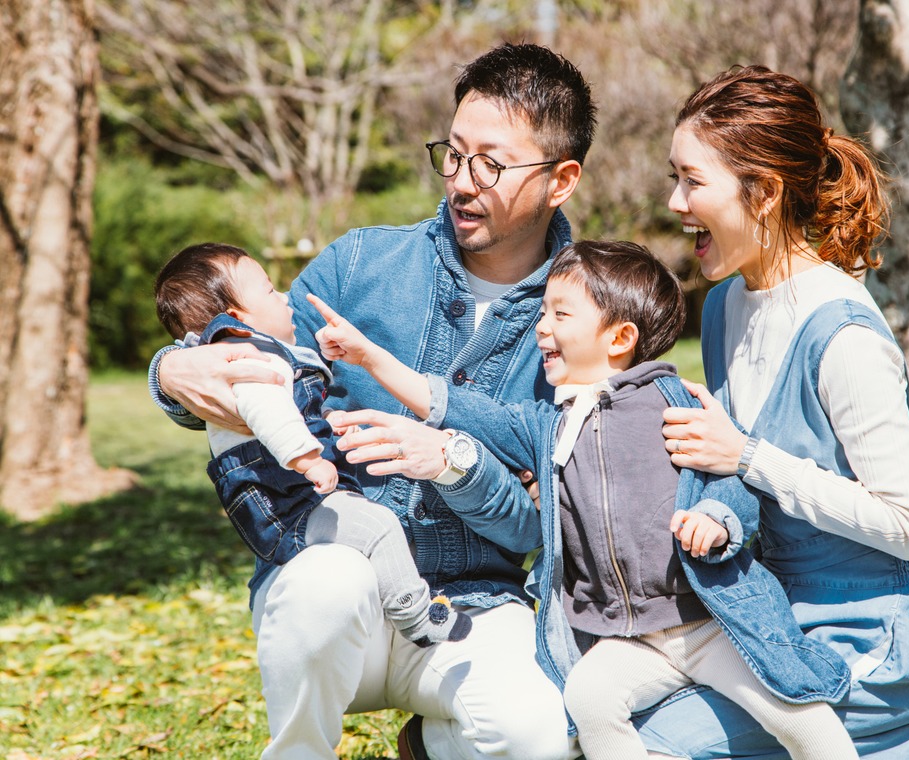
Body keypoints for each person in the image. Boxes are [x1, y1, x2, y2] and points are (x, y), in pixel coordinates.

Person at [147, 43, 594, 760]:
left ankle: (427, 745)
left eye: (492, 163)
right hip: (331, 606)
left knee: (538, 734)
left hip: (468, 609)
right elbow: (249, 343)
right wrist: (171, 370)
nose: (462, 181)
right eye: (452, 154)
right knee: (332, 578)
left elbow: (538, 530)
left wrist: (455, 462)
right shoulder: (361, 264)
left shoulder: (587, 321)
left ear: (561, 179)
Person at [313, 240, 859, 760]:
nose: (541, 329)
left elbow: (729, 480)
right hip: (628, 638)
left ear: (618, 338)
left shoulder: (673, 405)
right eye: (542, 313)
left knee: (798, 712)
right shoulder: (546, 426)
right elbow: (454, 406)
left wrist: (716, 519)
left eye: (559, 315)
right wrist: (369, 358)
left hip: (708, 621)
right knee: (590, 701)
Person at [642, 65, 909, 757]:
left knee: (658, 743)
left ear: (762, 192)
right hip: (772, 623)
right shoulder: (723, 309)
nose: (675, 201)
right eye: (674, 177)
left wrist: (745, 455)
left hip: (872, 644)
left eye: (692, 180)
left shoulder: (844, 335)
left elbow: (908, 524)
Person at [152, 243, 472, 647]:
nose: (285, 297)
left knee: (368, 528)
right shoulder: (250, 363)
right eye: (270, 291)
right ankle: (417, 618)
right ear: (236, 319)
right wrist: (308, 459)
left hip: (291, 502)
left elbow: (292, 413)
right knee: (380, 526)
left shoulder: (258, 354)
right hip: (290, 507)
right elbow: (271, 413)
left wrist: (329, 430)